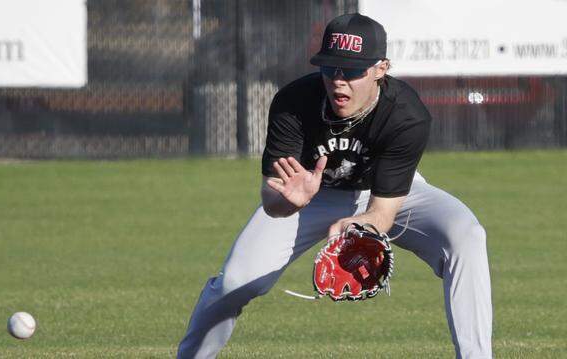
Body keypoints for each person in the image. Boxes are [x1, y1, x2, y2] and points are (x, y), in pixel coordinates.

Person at [178, 13, 492, 359]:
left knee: (466, 234)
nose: (339, 81)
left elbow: (383, 212)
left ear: (380, 69)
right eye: (331, 68)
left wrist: (361, 226)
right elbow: (271, 198)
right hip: (313, 198)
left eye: (353, 71)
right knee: (233, 283)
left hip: (386, 194)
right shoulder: (294, 103)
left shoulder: (406, 114)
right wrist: (287, 202)